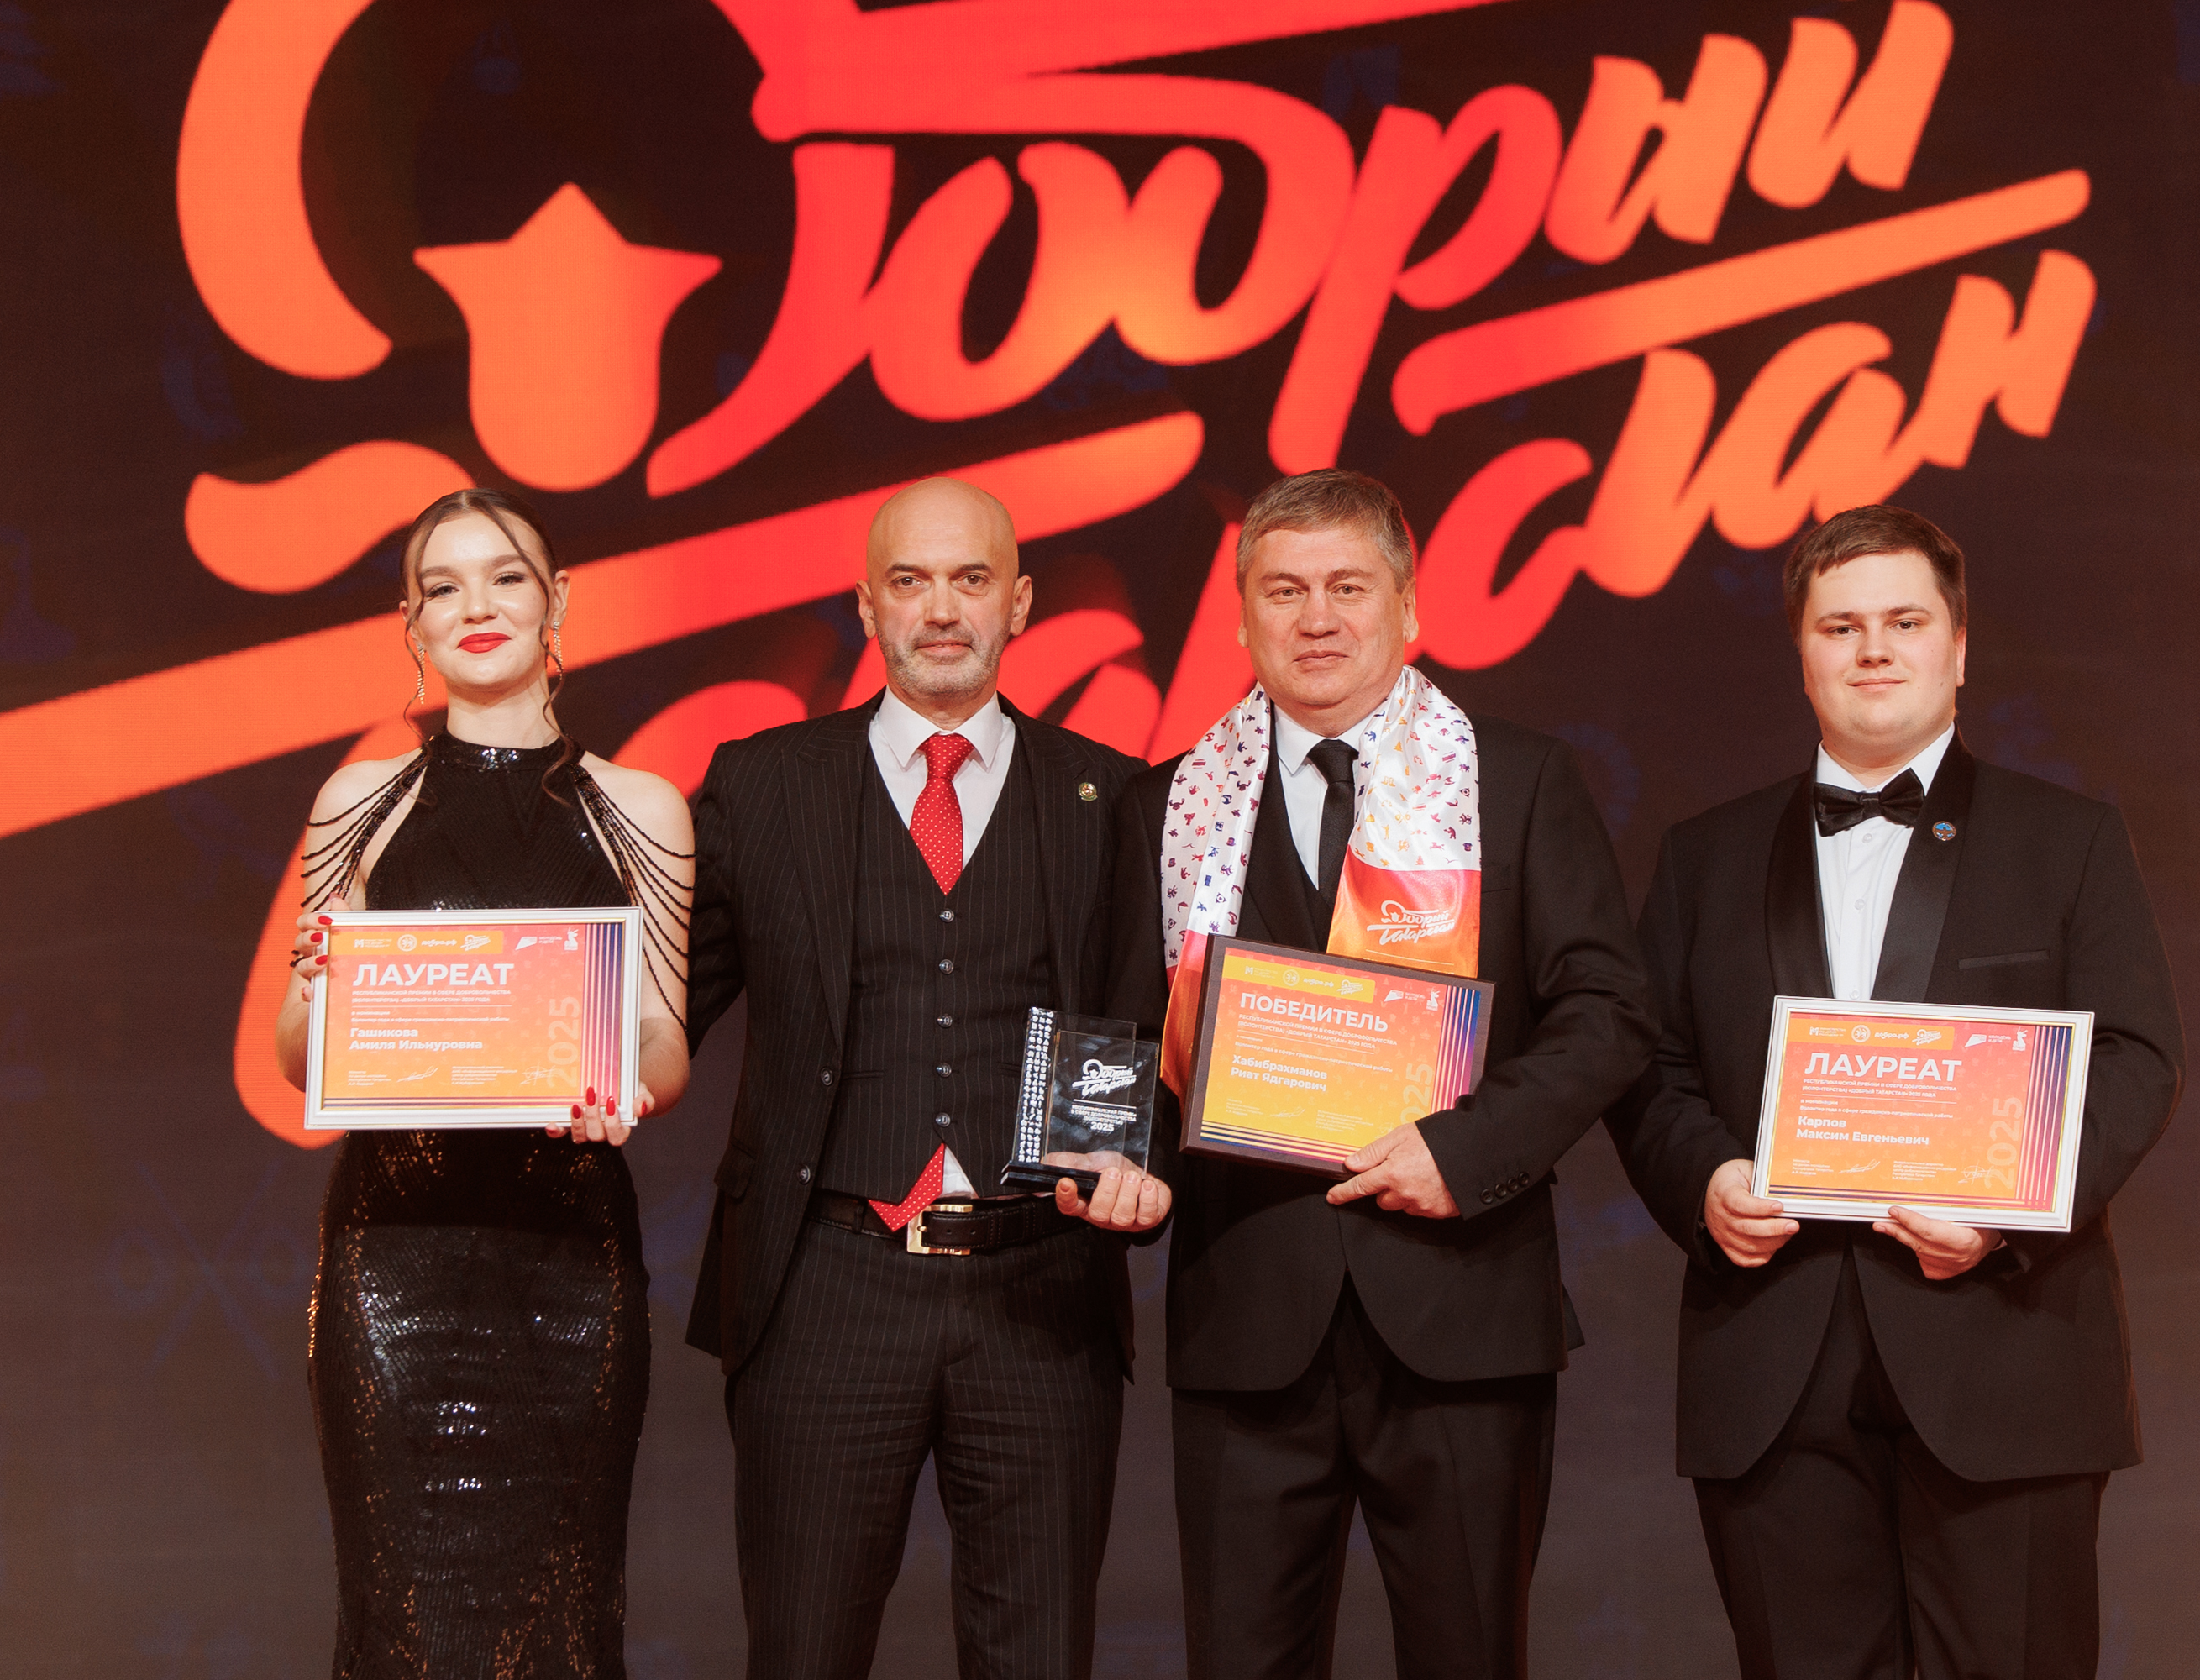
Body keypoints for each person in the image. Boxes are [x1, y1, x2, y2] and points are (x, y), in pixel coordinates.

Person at [1605, 504, 2186, 1679]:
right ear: (1802, 654)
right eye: (1841, 626)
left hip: (2005, 1354)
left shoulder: (2068, 839)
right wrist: (1706, 1179)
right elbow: (1649, 1064)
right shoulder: (1704, 855)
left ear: (1959, 648)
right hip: (1775, 1367)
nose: (1873, 648)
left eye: (1906, 622)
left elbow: (2136, 1058)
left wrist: (2008, 1211)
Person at [1105, 469, 1652, 1680]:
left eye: (1348, 587)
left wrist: (1464, 1151)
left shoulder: (1516, 780)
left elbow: (1609, 1014)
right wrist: (1116, 1161)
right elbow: (1136, 1042)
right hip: (1250, 1319)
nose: (1317, 618)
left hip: (1461, 1314)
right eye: (1283, 590)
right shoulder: (1166, 806)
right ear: (1241, 617)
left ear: (1407, 608)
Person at [684, 476, 1169, 1680]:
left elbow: (1146, 1031)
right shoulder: (762, 784)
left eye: (969, 579)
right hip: (825, 1285)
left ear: (1020, 602)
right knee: (802, 1654)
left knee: (1039, 1659)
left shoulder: (1110, 794)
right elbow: (655, 1003)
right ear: (868, 607)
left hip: (1042, 1292)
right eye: (910, 581)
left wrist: (1142, 1165)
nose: (941, 609)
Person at [275, 487, 694, 1678]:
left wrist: (627, 1090)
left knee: (563, 1616)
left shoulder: (640, 808)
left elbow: (662, 1042)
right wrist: (325, 990)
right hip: (393, 1263)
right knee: (399, 1618)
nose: (478, 605)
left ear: (559, 602)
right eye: (442, 586)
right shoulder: (358, 804)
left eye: (506, 576)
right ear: (410, 626)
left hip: (568, 1262)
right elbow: (299, 1055)